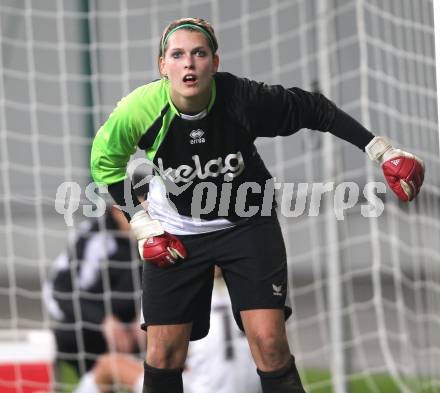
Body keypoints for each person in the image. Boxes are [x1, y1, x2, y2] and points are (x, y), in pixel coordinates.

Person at [90, 17, 425, 393]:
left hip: (248, 222)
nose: (189, 63)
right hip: (176, 229)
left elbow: (315, 108)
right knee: (164, 354)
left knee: (269, 343)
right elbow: (105, 164)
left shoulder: (243, 99)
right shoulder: (139, 110)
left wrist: (381, 151)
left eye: (199, 54)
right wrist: (141, 223)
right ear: (162, 65)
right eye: (178, 55)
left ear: (214, 63)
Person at [73, 269, 262, 393]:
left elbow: (165, 355)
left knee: (109, 365)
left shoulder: (187, 292)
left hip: (198, 388)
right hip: (254, 387)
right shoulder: (253, 292)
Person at [43, 204, 143, 390]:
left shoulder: (159, 237)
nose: (144, 217)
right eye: (137, 210)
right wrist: (103, 320)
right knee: (68, 335)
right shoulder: (94, 238)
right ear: (116, 210)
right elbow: (60, 292)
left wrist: (144, 315)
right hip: (91, 327)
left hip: (135, 327)